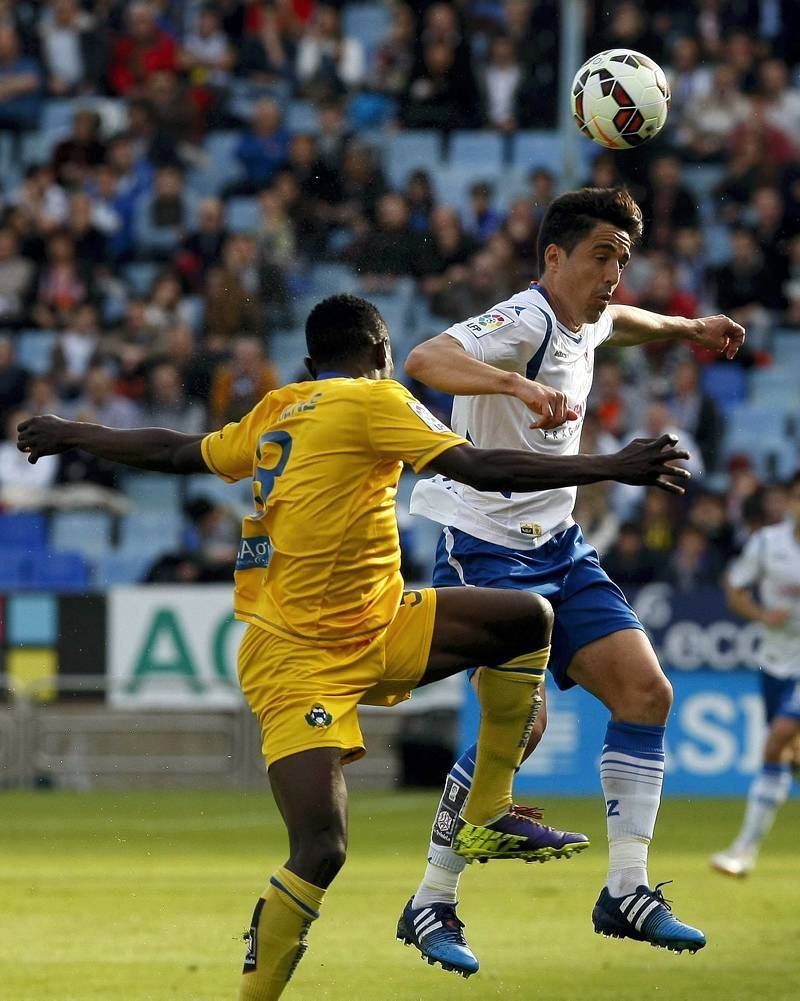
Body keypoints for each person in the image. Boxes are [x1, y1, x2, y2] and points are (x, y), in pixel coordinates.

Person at [17, 293, 691, 997]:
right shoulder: (378, 400)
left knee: (527, 619)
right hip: (299, 660)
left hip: (380, 623)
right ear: (380, 354)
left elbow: (179, 451)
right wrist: (611, 465)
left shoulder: (279, 407)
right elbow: (485, 470)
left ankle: (486, 810)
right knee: (321, 847)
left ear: (311, 362)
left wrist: (75, 431)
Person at [404, 187, 746, 967]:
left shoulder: (590, 318)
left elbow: (623, 324)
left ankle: (626, 887)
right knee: (521, 728)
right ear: (552, 257)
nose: (614, 273)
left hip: (558, 542)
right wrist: (518, 385)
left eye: (623, 258)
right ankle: (431, 900)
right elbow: (427, 359)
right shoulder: (524, 319)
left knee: (647, 693)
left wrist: (687, 328)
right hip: (482, 546)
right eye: (600, 255)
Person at [710, 470, 800, 877]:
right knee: (787, 753)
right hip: (775, 660)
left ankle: (743, 851)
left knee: (778, 737)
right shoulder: (767, 543)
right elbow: (733, 586)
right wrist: (763, 615)